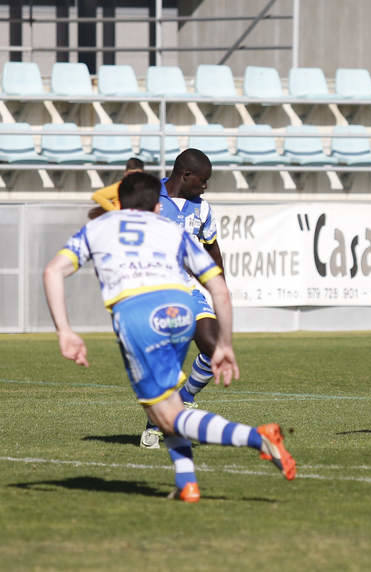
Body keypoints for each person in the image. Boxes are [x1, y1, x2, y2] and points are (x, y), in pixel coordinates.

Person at [43, 172, 296, 502]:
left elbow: (52, 272)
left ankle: (257, 437)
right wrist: (225, 344)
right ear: (156, 206)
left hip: (139, 314)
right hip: (181, 308)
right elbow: (218, 287)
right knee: (170, 402)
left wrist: (65, 331)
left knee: (166, 414)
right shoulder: (171, 230)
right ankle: (186, 483)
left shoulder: (99, 227)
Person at [139, 148, 224, 449]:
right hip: (154, 293)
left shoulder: (202, 209)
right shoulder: (149, 199)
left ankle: (185, 399)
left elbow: (212, 248)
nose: (205, 188)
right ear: (185, 175)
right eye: (202, 182)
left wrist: (218, 285)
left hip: (188, 288)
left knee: (216, 351)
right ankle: (154, 425)